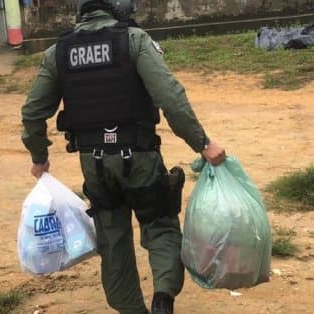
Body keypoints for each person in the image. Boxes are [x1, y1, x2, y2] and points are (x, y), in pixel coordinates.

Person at [20, 1, 226, 314]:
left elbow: (33, 112)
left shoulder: (58, 53)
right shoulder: (133, 40)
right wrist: (203, 144)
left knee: (112, 238)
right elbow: (170, 97)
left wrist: (39, 157)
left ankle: (132, 309)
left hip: (95, 164)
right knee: (159, 225)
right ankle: (163, 299)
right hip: (139, 155)